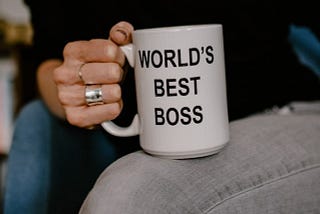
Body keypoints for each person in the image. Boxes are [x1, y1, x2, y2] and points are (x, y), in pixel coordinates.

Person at [3, 0, 320, 213]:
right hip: (138, 139)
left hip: (279, 109)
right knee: (33, 124)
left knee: (130, 194)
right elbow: (49, 58)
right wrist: (76, 91)